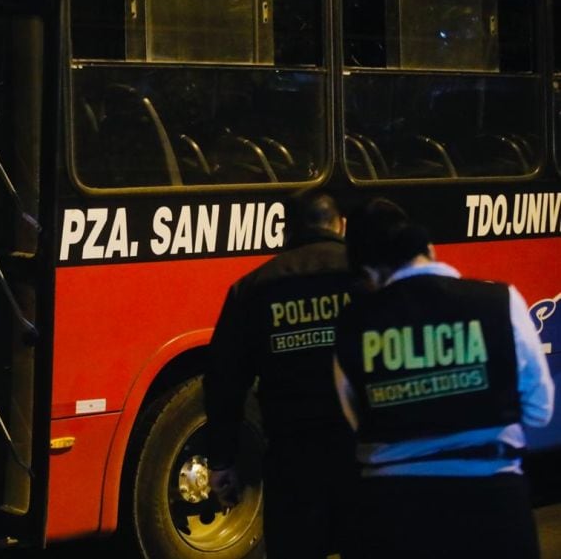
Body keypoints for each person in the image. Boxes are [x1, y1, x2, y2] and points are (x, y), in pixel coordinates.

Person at [333, 197, 554, 559]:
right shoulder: (501, 300)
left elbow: (357, 422)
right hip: (493, 504)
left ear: (369, 272)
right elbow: (540, 410)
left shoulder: (353, 323)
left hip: (393, 514)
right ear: (430, 250)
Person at [204, 192, 362, 559]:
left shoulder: (252, 289)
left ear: (286, 231)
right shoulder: (368, 279)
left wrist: (222, 460)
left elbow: (224, 381)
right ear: (341, 225)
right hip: (363, 460)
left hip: (292, 463)